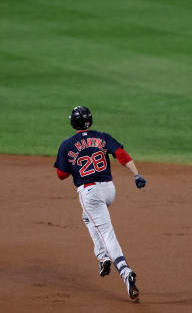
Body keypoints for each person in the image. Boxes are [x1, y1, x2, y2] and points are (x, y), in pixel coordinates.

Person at [54, 106, 146, 300]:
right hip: (109, 190)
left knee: (106, 232)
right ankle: (102, 257)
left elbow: (61, 175)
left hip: (90, 193)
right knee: (87, 218)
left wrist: (74, 164)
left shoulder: (67, 144)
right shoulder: (102, 137)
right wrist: (137, 175)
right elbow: (121, 155)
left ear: (73, 123)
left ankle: (125, 271)